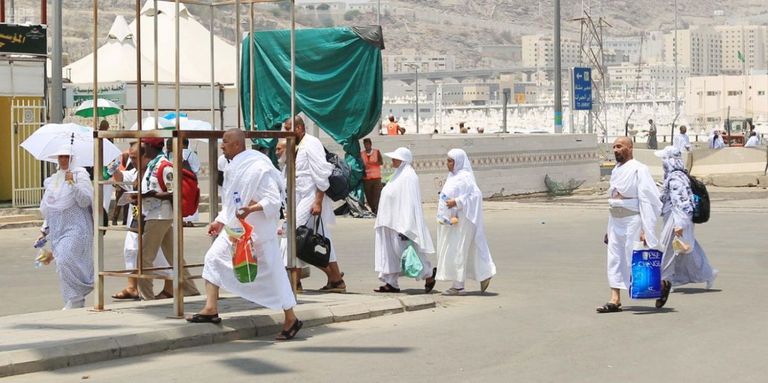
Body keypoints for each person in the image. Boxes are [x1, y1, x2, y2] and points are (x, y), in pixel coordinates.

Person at [187, 129, 302, 341]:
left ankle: (291, 318)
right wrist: (220, 221)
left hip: (258, 233)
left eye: (226, 142)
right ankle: (211, 309)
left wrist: (251, 209)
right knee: (212, 258)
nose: (222, 146)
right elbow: (232, 201)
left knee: (274, 274)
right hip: (236, 229)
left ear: (238, 145)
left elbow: (273, 200)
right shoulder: (233, 167)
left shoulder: (258, 167)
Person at [596, 137, 661, 313]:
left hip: (633, 221)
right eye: (614, 147)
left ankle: (661, 284)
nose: (616, 150)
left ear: (630, 148)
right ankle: (615, 299)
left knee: (633, 258)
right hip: (615, 221)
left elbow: (648, 200)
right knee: (614, 258)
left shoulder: (640, 169)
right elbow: (614, 200)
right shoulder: (616, 170)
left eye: (620, 147)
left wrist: (645, 229)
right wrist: (608, 229)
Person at [284, 116, 346, 292]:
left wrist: (318, 200)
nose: (285, 131)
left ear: (299, 128)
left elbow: (322, 173)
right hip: (299, 196)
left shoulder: (311, 143)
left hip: (311, 197)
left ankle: (294, 281)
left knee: (294, 236)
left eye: (288, 128)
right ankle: (335, 280)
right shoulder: (296, 145)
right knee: (320, 238)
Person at [135, 137, 200, 300]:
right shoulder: (153, 164)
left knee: (144, 258)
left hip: (160, 215)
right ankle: (190, 289)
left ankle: (146, 295)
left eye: (143, 145)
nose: (142, 148)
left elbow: (174, 192)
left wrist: (153, 195)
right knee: (174, 255)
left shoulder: (164, 166)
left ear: (150, 146)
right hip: (155, 213)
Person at [655, 146, 718, 309]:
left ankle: (664, 282)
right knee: (689, 250)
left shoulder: (675, 178)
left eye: (664, 159)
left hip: (677, 220)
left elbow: (682, 204)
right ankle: (707, 273)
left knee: (667, 251)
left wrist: (678, 225)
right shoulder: (679, 176)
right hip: (678, 220)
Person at [110, 140, 172, 300]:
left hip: (157, 217)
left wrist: (148, 195)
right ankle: (134, 287)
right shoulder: (139, 172)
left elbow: (172, 192)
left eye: (135, 157)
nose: (132, 161)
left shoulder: (160, 167)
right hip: (139, 218)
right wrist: (113, 167)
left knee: (155, 257)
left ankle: (164, 291)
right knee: (132, 251)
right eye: (131, 158)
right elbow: (122, 178)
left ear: (145, 154)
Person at [36, 146, 94, 309]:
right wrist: (44, 230)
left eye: (66, 156)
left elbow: (85, 201)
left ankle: (76, 297)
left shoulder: (80, 174)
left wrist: (72, 184)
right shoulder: (54, 179)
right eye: (60, 157)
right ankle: (74, 299)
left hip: (77, 227)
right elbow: (49, 208)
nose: (63, 160)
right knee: (61, 263)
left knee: (65, 259)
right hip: (58, 229)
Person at [374, 147, 437, 293]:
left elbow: (410, 202)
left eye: (396, 158)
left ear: (403, 160)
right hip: (388, 221)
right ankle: (391, 283)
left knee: (404, 252)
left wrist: (407, 225)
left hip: (400, 223)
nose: (393, 160)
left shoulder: (409, 176)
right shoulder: (398, 174)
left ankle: (428, 274)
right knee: (389, 252)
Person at [436, 149, 496, 295]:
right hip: (454, 220)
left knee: (459, 250)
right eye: (448, 161)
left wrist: (457, 202)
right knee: (457, 250)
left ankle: (458, 286)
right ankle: (484, 273)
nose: (448, 164)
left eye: (451, 161)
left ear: (458, 162)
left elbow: (475, 196)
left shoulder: (465, 177)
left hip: (464, 220)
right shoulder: (453, 176)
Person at [360, 138, 383, 215]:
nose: (366, 146)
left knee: (377, 195)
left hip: (376, 178)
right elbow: (361, 165)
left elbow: (381, 162)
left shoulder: (377, 152)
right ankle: (373, 209)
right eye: (365, 144)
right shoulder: (362, 154)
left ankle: (377, 210)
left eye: (368, 144)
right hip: (367, 179)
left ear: (370, 144)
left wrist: (374, 163)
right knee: (369, 196)